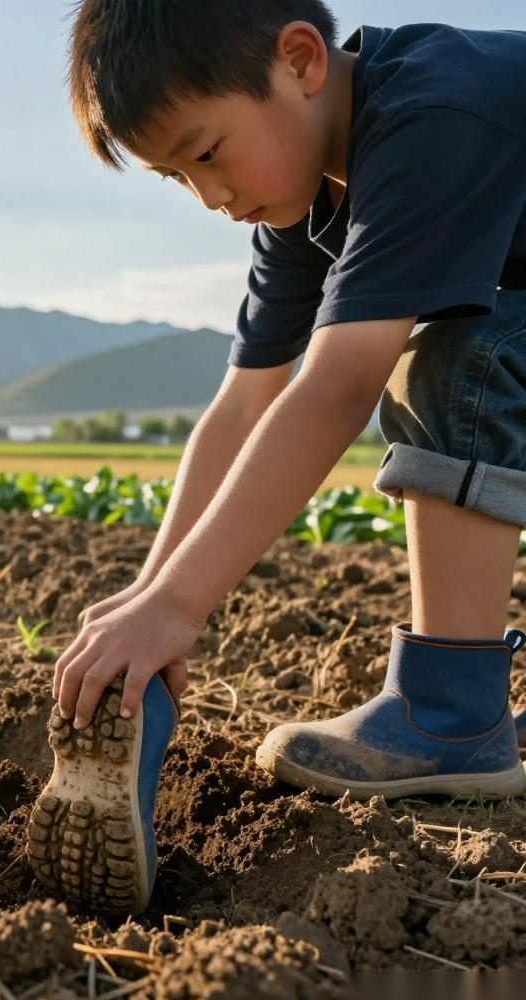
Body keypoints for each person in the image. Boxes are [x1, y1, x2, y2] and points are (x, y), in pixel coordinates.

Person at [32, 0, 526, 914]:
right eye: (176, 178)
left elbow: (338, 384)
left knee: (467, 361)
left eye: (207, 152)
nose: (210, 198)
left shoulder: (432, 114)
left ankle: (452, 717)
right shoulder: (307, 207)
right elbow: (243, 403)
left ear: (300, 60)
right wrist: (151, 597)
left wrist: (182, 605)